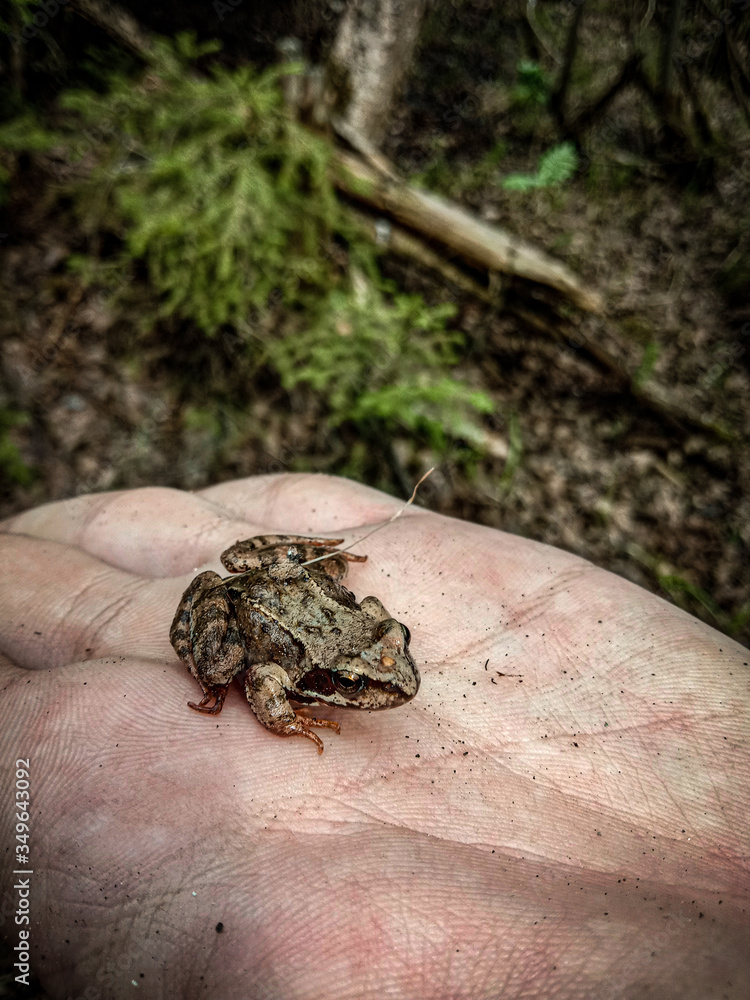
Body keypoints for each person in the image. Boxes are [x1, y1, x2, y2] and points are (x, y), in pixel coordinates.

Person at [1, 474, 748, 1000]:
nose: (390, 686)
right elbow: (266, 685)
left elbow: (377, 616)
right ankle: (214, 658)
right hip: (255, 621)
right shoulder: (306, 670)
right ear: (338, 680)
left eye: (389, 654)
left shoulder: (380, 640)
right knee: (229, 667)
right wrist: (288, 716)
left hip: (301, 601)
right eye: (361, 683)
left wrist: (343, 615)